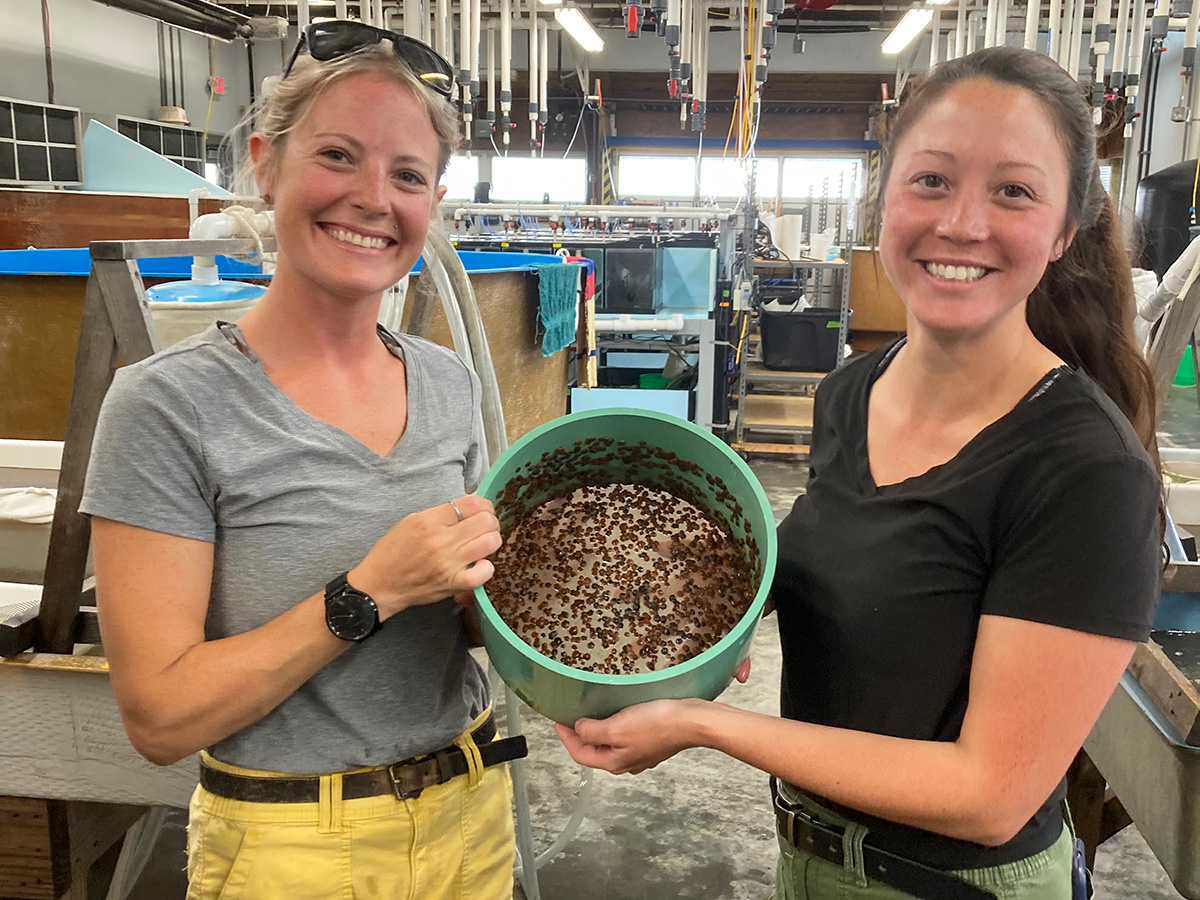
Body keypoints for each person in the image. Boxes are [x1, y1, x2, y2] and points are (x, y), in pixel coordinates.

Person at [556, 46, 1163, 900]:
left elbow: (990, 794)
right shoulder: (850, 393)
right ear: (885, 198)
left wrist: (706, 725)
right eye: (932, 181)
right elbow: (862, 565)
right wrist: (720, 607)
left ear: (1065, 231)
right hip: (809, 857)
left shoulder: (1087, 472)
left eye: (1014, 191)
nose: (962, 223)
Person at [81, 22, 523, 900]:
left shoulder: (446, 382)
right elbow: (160, 717)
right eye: (337, 155)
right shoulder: (167, 404)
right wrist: (370, 592)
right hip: (292, 846)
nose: (372, 198)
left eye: (407, 175)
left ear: (432, 200)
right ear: (265, 164)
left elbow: (473, 623)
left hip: (470, 815)